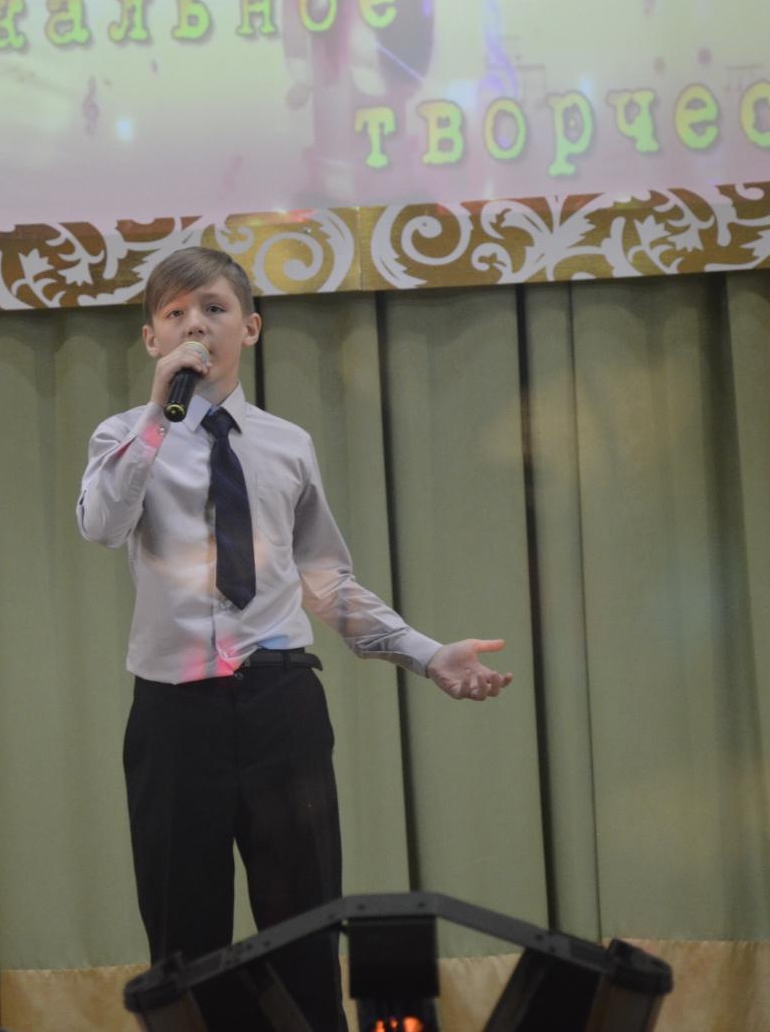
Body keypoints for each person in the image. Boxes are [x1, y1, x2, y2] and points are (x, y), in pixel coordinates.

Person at [77, 246, 511, 1031]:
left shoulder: (288, 445)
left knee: (305, 929)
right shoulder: (123, 436)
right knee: (183, 946)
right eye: (174, 313)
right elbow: (102, 525)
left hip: (280, 702)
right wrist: (156, 419)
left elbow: (326, 582)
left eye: (213, 308)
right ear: (151, 339)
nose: (195, 325)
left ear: (250, 327)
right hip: (175, 716)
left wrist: (427, 653)